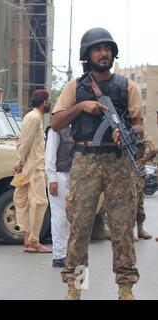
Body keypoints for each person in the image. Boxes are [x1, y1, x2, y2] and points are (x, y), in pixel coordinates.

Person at [51, 27, 144, 300]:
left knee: (122, 228)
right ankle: (76, 287)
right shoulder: (75, 87)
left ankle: (125, 288)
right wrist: (82, 107)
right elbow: (55, 123)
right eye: (97, 49)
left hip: (118, 162)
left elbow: (139, 127)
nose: (103, 53)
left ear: (113, 53)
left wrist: (126, 132)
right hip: (85, 160)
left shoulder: (128, 87)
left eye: (107, 49)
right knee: (79, 227)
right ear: (87, 54)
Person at [12, 90, 51, 254]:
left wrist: (21, 163)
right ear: (45, 102)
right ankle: (34, 241)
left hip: (30, 166)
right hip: (34, 167)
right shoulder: (34, 118)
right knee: (40, 202)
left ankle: (28, 241)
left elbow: (24, 141)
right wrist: (20, 162)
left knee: (29, 203)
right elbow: (26, 142)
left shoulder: (33, 117)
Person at [45, 126, 73, 267]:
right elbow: (50, 156)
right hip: (59, 176)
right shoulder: (56, 129)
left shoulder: (76, 127)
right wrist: (52, 179)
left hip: (73, 176)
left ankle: (68, 252)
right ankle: (59, 255)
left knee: (70, 217)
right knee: (59, 216)